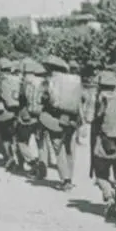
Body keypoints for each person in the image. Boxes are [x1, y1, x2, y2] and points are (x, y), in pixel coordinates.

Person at [38, 55, 83, 191]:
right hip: (72, 119)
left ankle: (65, 179)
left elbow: (46, 98)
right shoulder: (75, 80)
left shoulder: (51, 81)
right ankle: (70, 176)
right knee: (70, 149)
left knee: (58, 148)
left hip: (55, 118)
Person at [91, 71, 116, 218]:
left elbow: (93, 118)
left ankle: (108, 194)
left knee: (100, 173)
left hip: (104, 142)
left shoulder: (102, 100)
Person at [0, 60, 22, 171]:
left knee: (5, 137)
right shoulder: (17, 79)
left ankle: (9, 157)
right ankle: (20, 161)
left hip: (3, 112)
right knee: (15, 137)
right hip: (16, 111)